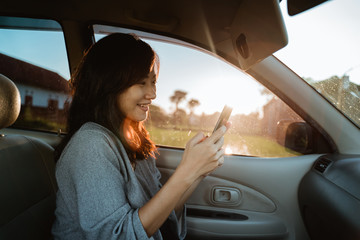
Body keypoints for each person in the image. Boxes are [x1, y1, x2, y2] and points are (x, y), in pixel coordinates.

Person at [52, 33, 230, 240]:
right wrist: (186, 171)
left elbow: (160, 212)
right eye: (141, 83)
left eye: (153, 82)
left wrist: (198, 171)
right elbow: (116, 236)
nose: (152, 94)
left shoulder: (133, 138)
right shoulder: (89, 146)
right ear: (109, 84)